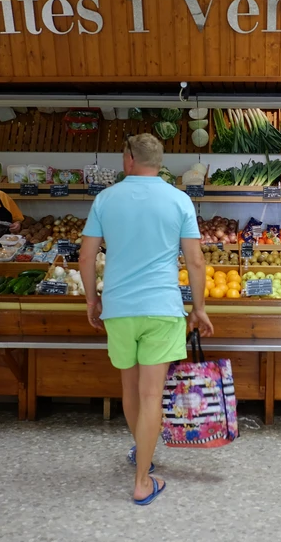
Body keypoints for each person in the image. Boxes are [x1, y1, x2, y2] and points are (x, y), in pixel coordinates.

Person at [79, 133, 214, 506]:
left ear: (128, 160)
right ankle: (142, 479)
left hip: (119, 308)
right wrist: (199, 308)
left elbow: (86, 258)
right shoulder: (179, 199)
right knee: (152, 393)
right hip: (162, 308)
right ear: (159, 162)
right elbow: (196, 260)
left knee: (130, 389)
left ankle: (144, 453)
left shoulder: (106, 199)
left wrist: (93, 300)